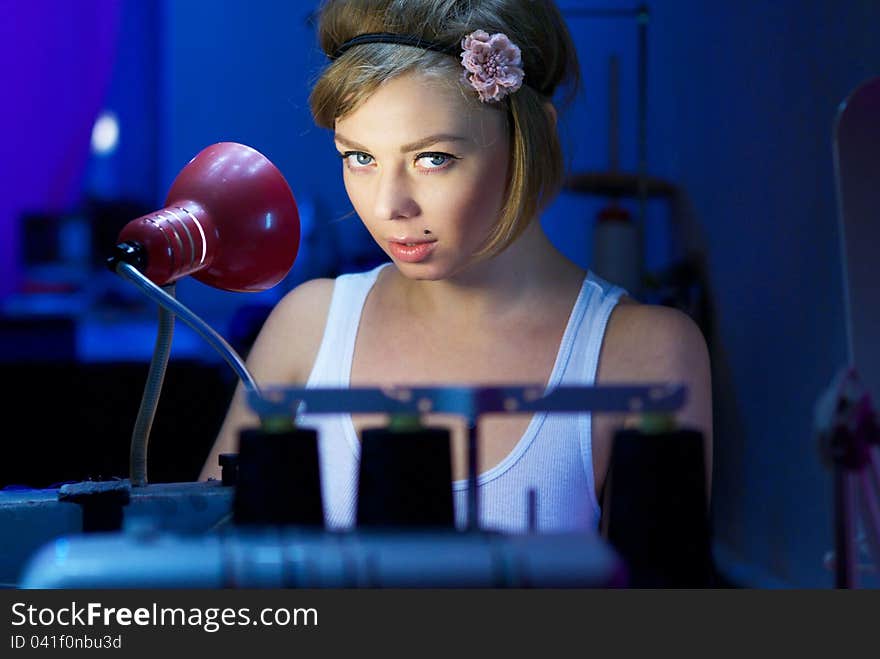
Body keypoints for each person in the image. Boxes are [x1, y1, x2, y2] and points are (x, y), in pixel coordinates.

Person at [200, 0, 712, 534]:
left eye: (433, 158)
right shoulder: (306, 328)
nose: (388, 206)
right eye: (360, 157)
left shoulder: (645, 355)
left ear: (530, 138)